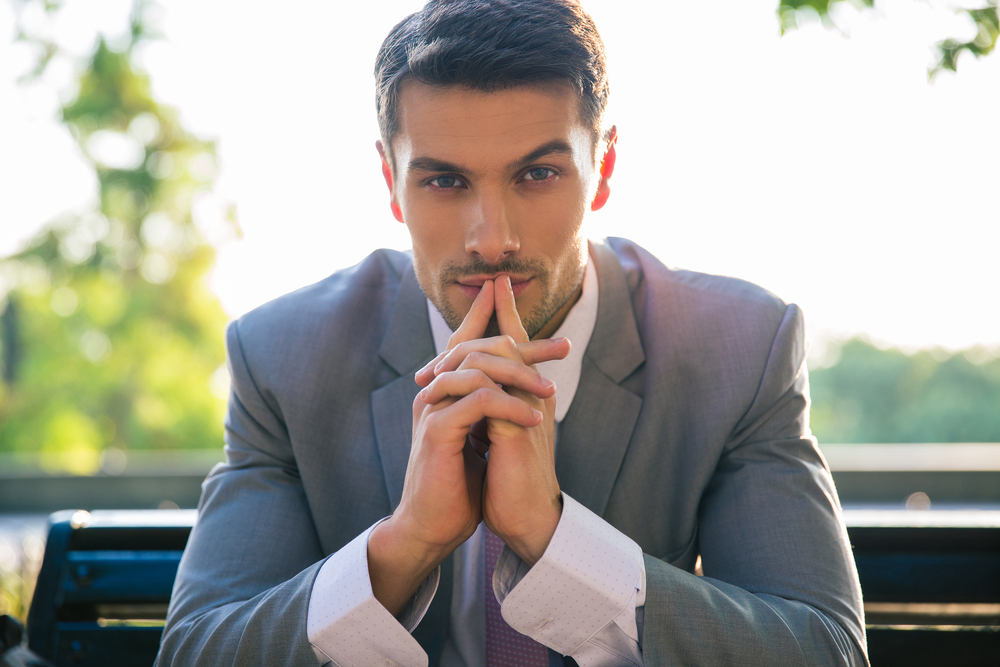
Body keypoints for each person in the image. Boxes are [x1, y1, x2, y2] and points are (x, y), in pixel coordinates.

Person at [156, 1, 867, 665]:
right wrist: (405, 545)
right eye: (444, 182)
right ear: (388, 178)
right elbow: (194, 649)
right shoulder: (284, 356)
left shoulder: (739, 347)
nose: (492, 239)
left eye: (537, 173)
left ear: (604, 166)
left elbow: (824, 646)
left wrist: (558, 539)